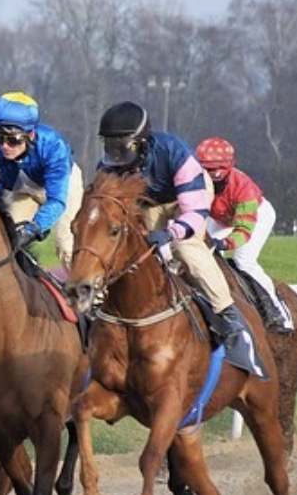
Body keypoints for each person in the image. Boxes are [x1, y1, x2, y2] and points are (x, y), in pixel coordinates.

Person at [97, 100, 266, 377]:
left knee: (185, 247)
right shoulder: (108, 167)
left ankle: (229, 318)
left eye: (121, 147)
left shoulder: (176, 154)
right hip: (150, 203)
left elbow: (195, 214)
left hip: (186, 197)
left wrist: (170, 232)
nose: (115, 154)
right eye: (109, 146)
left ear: (141, 143)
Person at [196, 136, 294, 334]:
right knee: (199, 254)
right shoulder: (194, 181)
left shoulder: (243, 187)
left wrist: (224, 243)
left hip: (256, 215)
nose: (214, 174)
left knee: (244, 260)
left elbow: (243, 230)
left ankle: (278, 312)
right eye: (208, 169)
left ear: (230, 165)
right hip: (221, 218)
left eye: (219, 168)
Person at [0, 91, 84, 270]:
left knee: (65, 246)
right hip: (24, 192)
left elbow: (57, 201)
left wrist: (35, 228)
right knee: (7, 240)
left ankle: (82, 287)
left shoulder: (53, 145)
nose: (4, 146)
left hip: (61, 188)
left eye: (13, 140)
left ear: (31, 135)